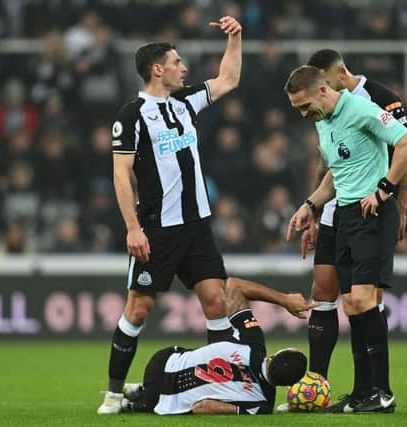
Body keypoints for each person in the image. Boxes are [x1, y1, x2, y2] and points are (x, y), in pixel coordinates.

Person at [98, 16, 243, 414]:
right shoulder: (131, 115)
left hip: (197, 226)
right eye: (177, 62)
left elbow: (228, 79)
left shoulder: (185, 101)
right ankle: (113, 393)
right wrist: (132, 227)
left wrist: (236, 37)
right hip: (157, 229)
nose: (184, 68)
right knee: (139, 309)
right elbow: (121, 173)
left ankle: (221, 386)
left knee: (216, 302)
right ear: (157, 69)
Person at [284, 65, 407, 413]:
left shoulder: (361, 109)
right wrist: (311, 206)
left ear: (323, 91)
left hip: (372, 214)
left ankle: (383, 392)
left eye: (304, 106)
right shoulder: (324, 122)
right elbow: (336, 174)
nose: (303, 114)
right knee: (353, 305)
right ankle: (363, 393)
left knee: (362, 301)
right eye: (297, 109)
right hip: (346, 214)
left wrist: (385, 188)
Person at [120, 278, 312, 415]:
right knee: (147, 404)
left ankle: (138, 390)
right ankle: (136, 397)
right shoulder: (262, 405)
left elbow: (233, 285)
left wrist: (284, 300)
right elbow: (201, 408)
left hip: (165, 359)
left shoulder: (253, 341)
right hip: (164, 401)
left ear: (272, 356)